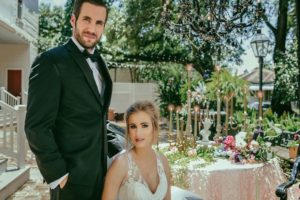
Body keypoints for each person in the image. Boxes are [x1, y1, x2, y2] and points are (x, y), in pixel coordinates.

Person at [25, 0, 112, 199]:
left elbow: (99, 119)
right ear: (73, 20)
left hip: (102, 178)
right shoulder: (51, 61)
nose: (92, 28)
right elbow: (36, 127)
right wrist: (59, 174)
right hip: (70, 183)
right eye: (87, 19)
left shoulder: (100, 63)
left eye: (99, 22)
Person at [102, 101, 171, 200]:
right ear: (128, 130)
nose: (138, 133)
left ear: (154, 127)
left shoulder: (163, 162)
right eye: (133, 126)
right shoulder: (121, 164)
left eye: (144, 125)